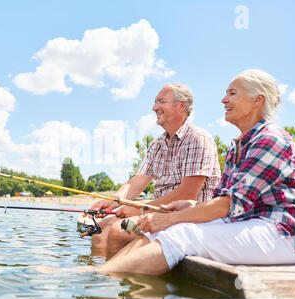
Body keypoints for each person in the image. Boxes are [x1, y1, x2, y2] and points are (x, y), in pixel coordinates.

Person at [84, 69, 295, 275]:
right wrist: (181, 210)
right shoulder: (239, 144)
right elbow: (228, 203)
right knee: (150, 232)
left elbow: (227, 204)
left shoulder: (270, 139)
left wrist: (168, 217)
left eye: (232, 93)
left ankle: (96, 277)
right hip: (249, 221)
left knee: (181, 233)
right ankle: (102, 275)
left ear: (257, 100)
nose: (224, 99)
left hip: (285, 232)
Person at [89, 83, 221, 254]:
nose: (154, 107)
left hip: (191, 217)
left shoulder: (198, 138)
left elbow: (187, 194)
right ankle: (103, 278)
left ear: (181, 106)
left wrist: (139, 208)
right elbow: (136, 182)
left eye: (161, 102)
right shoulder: (156, 144)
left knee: (118, 231)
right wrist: (113, 202)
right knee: (100, 228)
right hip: (158, 212)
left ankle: (112, 273)